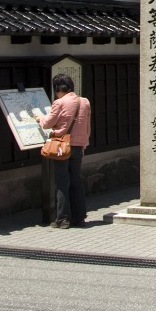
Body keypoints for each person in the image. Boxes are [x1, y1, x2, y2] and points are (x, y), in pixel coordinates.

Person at [37, 73, 92, 229]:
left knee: (62, 182)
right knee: (76, 181)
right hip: (78, 146)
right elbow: (87, 126)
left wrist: (39, 119)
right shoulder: (85, 102)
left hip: (62, 146)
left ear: (58, 89)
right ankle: (79, 217)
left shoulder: (59, 103)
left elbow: (48, 123)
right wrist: (84, 144)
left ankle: (63, 219)